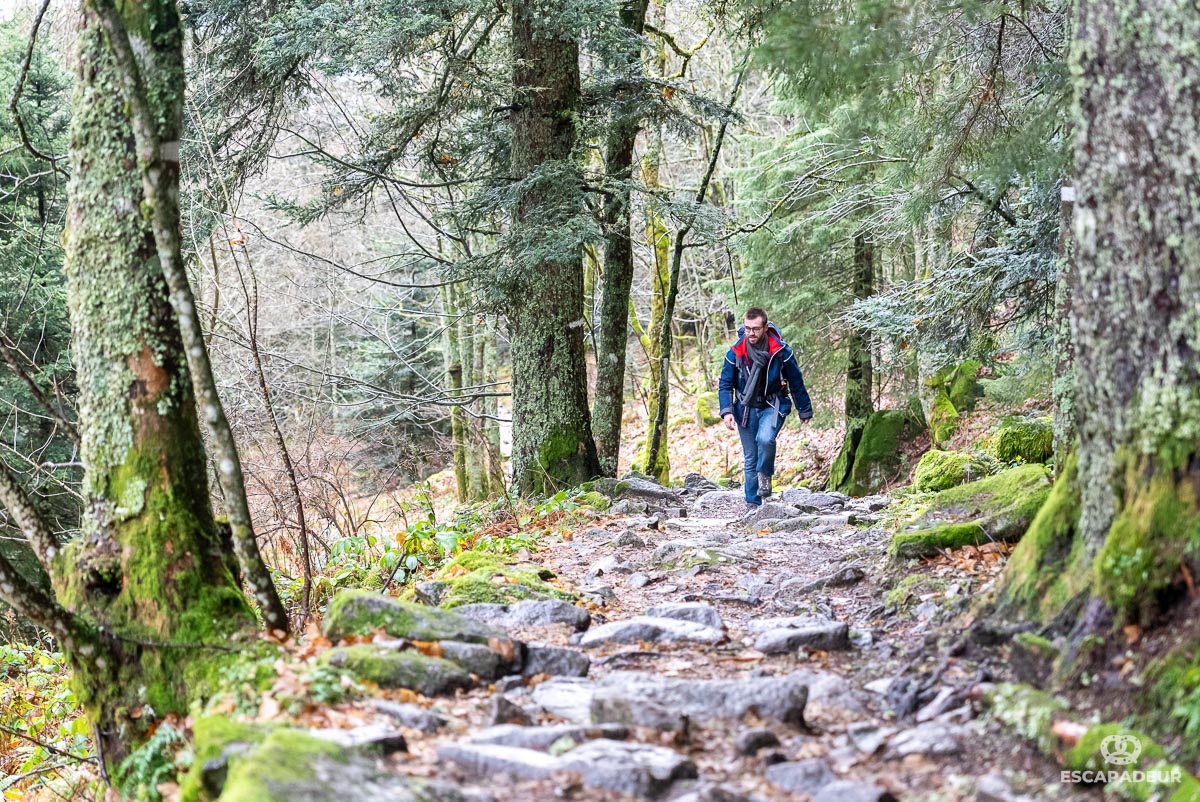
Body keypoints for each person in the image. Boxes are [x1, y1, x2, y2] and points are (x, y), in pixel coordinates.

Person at [717, 307, 813, 506]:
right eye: (747, 328)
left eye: (755, 329)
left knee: (766, 439)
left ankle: (766, 475)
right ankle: (753, 504)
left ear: (765, 327)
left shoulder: (780, 351)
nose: (751, 333)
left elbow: (795, 381)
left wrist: (804, 409)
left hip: (772, 404)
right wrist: (727, 411)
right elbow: (726, 384)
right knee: (750, 457)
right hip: (744, 408)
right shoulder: (736, 352)